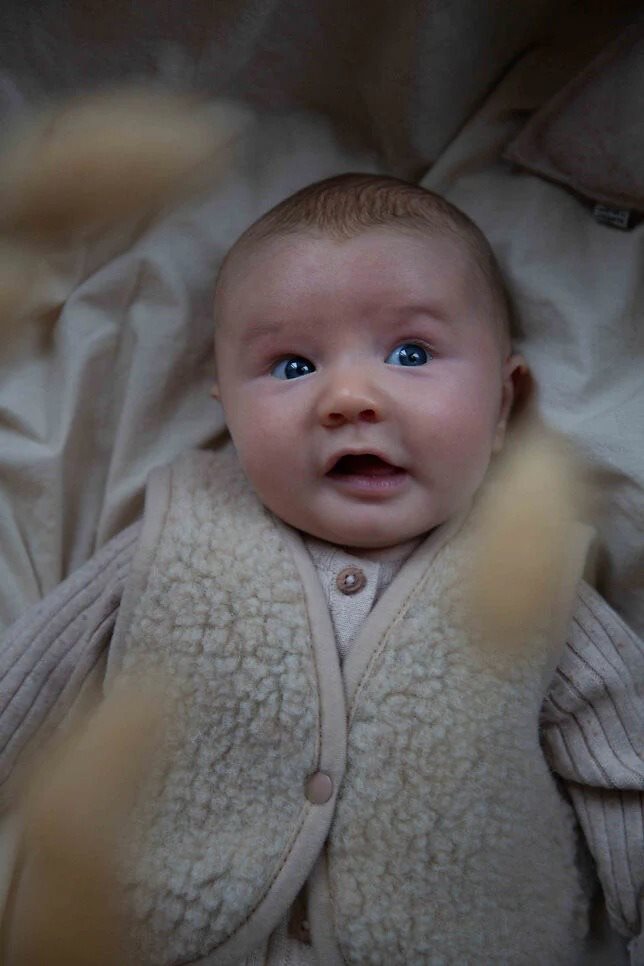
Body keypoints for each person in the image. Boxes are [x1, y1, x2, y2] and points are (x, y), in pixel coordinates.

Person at [1, 174, 642, 965]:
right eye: (292, 366)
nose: (348, 398)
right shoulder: (177, 536)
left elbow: (627, 774)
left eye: (410, 354)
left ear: (504, 404)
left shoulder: (528, 574)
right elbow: (25, 684)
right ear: (228, 408)